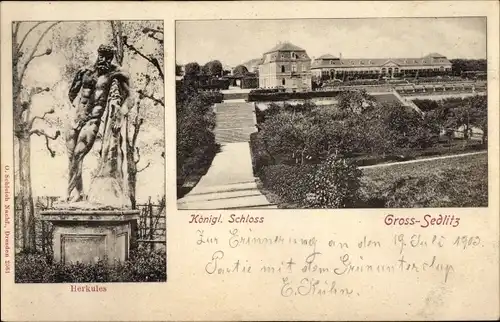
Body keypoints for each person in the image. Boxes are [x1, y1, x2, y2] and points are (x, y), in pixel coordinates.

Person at [66, 44, 130, 202]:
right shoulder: (84, 72)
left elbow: (131, 97)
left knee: (77, 155)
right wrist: (74, 112)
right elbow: (71, 94)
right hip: (76, 120)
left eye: (109, 57)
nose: (105, 59)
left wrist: (120, 113)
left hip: (92, 121)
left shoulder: (117, 74)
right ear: (98, 54)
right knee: (72, 158)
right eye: (102, 55)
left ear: (112, 58)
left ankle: (69, 193)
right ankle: (78, 193)